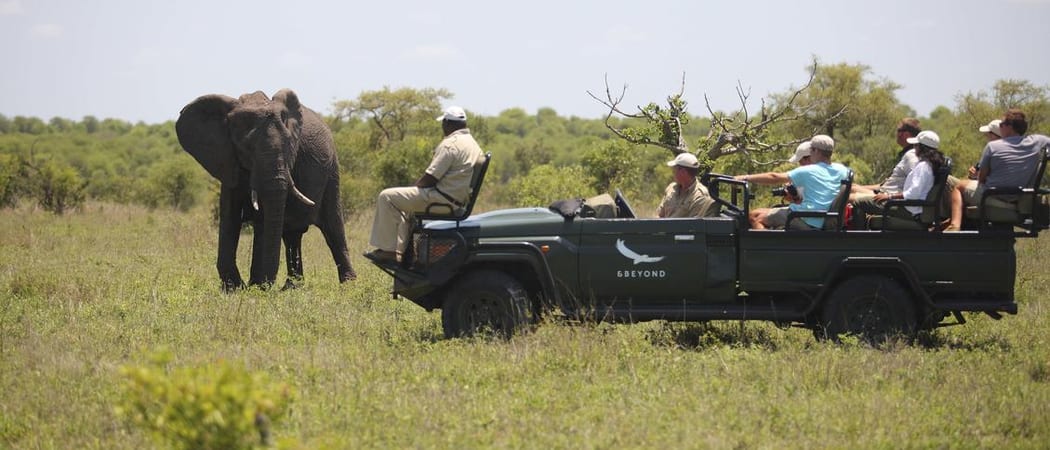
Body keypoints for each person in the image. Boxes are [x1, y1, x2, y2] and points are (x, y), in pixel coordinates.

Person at [365, 106, 485, 262]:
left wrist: (414, 187)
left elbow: (430, 179)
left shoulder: (451, 144)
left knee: (386, 196)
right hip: (455, 200)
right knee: (404, 202)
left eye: (443, 123)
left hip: (441, 199)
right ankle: (403, 251)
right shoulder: (472, 143)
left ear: (447, 123)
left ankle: (388, 251)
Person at [946, 109, 1050, 230]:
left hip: (992, 195)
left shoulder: (993, 147)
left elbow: (982, 179)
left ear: (1009, 127)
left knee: (959, 186)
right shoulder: (1037, 141)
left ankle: (955, 225)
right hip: (1019, 196)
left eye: (1001, 124)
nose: (1000, 126)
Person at [735, 135, 851, 230]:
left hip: (805, 218)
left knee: (757, 219)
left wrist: (745, 178)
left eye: (811, 150)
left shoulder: (808, 170)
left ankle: (766, 254)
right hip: (824, 219)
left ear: (815, 151)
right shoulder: (843, 170)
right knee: (759, 213)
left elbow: (774, 177)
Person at [849, 118, 922, 226]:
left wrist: (891, 197)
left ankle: (859, 238)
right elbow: (885, 184)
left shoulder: (912, 156)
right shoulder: (908, 154)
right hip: (885, 193)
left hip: (891, 197)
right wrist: (860, 186)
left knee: (850, 197)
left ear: (905, 134)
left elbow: (916, 183)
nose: (896, 134)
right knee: (851, 188)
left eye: (898, 130)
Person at [872, 130, 946, 221]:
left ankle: (856, 235)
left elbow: (912, 194)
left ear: (922, 148)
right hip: (915, 208)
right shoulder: (931, 165)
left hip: (910, 209)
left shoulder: (923, 167)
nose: (914, 148)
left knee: (859, 203)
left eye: (916, 145)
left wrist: (889, 196)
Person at [656, 152, 719, 218]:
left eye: (675, 169)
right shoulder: (671, 188)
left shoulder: (700, 196)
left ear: (683, 172)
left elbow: (692, 225)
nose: (673, 172)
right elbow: (659, 214)